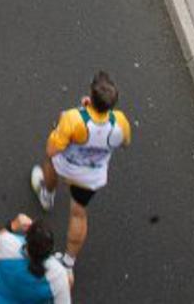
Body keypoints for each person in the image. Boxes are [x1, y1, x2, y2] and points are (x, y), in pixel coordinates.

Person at [30, 70, 131, 274]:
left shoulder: (73, 118)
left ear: (90, 97)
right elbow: (125, 143)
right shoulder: (120, 122)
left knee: (50, 160)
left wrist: (59, 124)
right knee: (78, 215)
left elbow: (51, 148)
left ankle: (47, 195)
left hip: (66, 166)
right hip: (90, 178)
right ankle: (68, 262)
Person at [0, 215, 70, 303]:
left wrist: (12, 226)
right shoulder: (58, 274)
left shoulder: (6, 242)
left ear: (27, 238)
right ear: (51, 249)